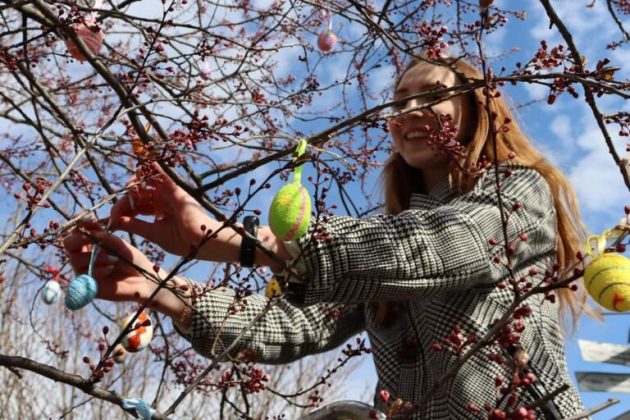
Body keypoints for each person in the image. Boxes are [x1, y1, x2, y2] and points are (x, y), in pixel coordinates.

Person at [63, 57, 589, 419]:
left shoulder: (516, 193)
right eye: (400, 100)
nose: (409, 111)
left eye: (433, 95)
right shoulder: (375, 248)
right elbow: (292, 325)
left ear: (476, 110)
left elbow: (439, 246)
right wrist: (159, 288)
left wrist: (230, 240)